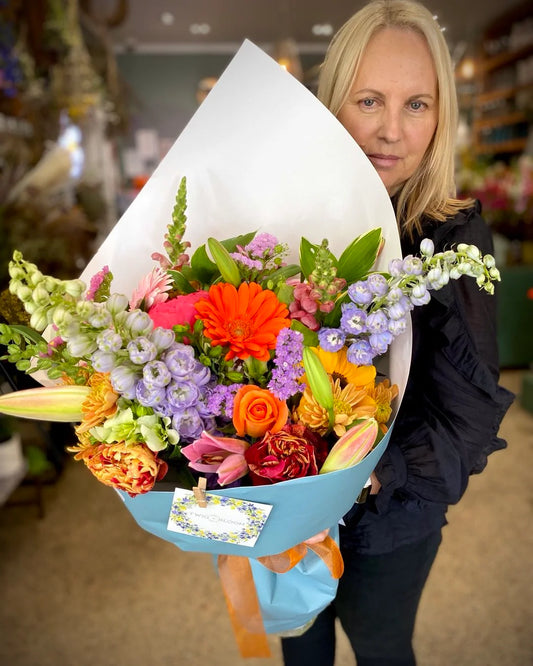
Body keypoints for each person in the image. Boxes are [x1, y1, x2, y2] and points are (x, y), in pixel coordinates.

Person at [281, 1, 515, 665]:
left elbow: (466, 424)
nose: (390, 130)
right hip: (280, 499)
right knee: (298, 646)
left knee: (381, 649)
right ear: (332, 105)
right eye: (368, 100)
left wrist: (364, 471)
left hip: (389, 518)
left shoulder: (452, 236)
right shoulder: (283, 218)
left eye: (416, 104)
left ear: (442, 116)